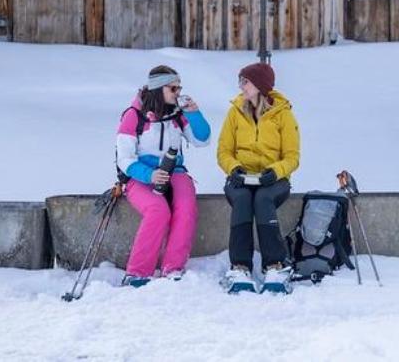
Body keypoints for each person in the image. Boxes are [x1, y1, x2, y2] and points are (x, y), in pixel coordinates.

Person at [115, 65, 210, 287]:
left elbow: (202, 140)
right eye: (173, 88)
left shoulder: (177, 114)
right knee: (157, 210)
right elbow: (125, 159)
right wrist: (149, 175)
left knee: (186, 208)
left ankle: (173, 267)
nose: (178, 93)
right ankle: (138, 272)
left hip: (174, 171)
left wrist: (194, 114)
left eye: (179, 88)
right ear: (159, 89)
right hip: (140, 175)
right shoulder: (133, 116)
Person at [217, 62, 300, 293]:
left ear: (260, 85)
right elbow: (223, 152)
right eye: (241, 81)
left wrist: (275, 172)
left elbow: (292, 157)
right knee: (243, 199)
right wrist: (234, 169)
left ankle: (275, 264)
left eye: (246, 81)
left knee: (263, 200)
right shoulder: (235, 111)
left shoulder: (283, 115)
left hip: (273, 179)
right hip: (240, 177)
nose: (241, 86)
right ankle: (240, 266)